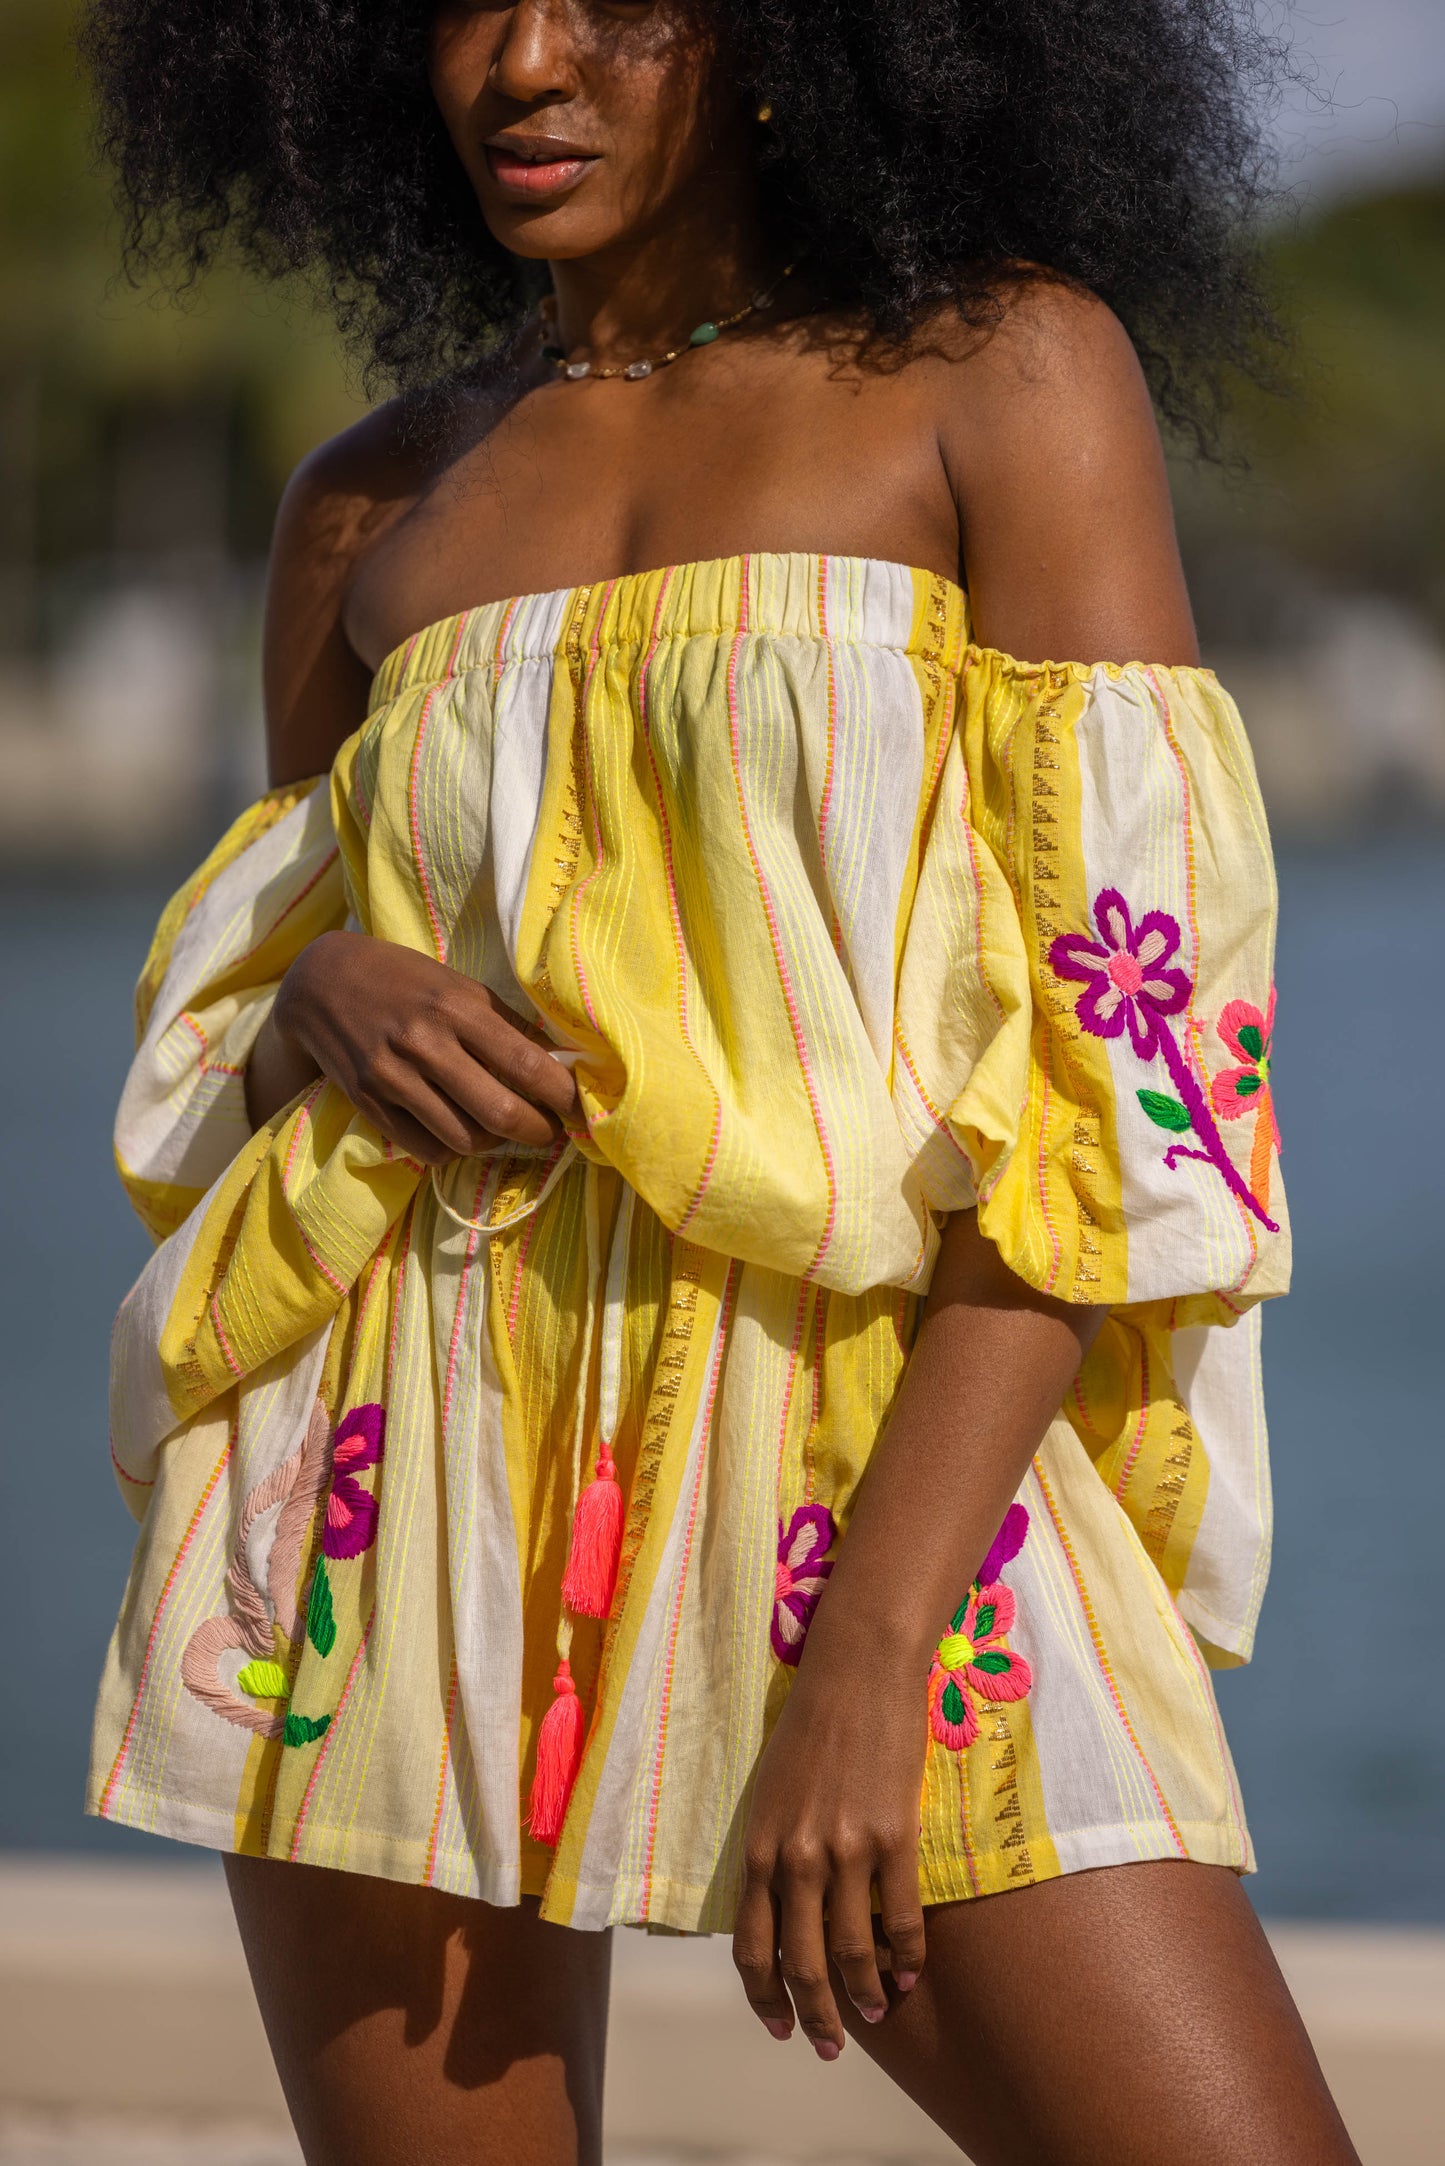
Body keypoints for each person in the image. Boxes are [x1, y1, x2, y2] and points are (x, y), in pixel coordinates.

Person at [81, 3, 1357, 2161]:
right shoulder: (365, 502)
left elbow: (1129, 1086)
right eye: (472, 1)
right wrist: (323, 999)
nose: (525, 63)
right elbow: (260, 981)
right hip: (401, 1477)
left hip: (886, 1492)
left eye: (620, 1)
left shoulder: (1008, 379)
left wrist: (871, 1650)